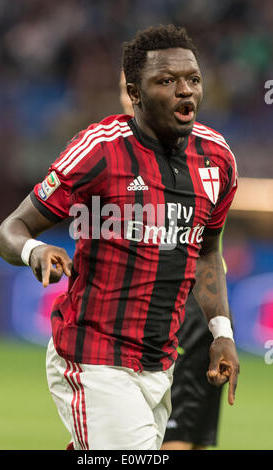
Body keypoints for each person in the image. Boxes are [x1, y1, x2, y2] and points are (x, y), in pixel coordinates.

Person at [0, 24, 239, 450]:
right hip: (93, 357)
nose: (186, 92)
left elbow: (206, 253)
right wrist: (36, 250)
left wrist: (222, 334)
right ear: (134, 92)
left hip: (160, 365)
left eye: (193, 80)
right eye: (167, 81)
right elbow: (9, 231)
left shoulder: (217, 159)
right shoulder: (100, 149)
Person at [120, 71, 226, 451]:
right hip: (139, 329)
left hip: (186, 317)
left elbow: (209, 248)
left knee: (184, 437)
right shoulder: (116, 153)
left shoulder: (207, 156)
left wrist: (221, 330)